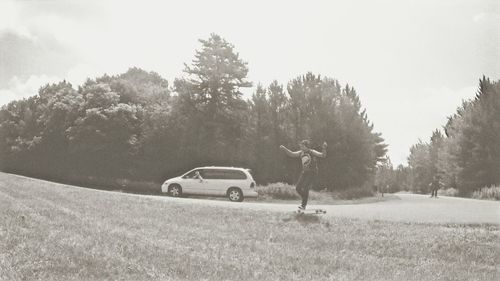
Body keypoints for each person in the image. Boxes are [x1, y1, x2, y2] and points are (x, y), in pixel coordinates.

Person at [280, 140, 327, 210]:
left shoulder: (312, 152)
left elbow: (323, 155)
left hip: (312, 172)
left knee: (305, 188)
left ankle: (303, 205)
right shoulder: (301, 153)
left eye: (302, 146)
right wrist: (284, 149)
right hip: (305, 172)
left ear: (306, 146)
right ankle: (305, 198)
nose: (301, 147)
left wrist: (324, 148)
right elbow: (291, 154)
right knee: (298, 188)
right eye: (300, 146)